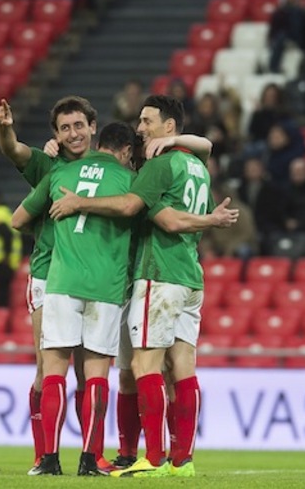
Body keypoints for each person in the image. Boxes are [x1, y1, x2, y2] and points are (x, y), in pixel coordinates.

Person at [50, 95, 238, 478]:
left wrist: (80, 203)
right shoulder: (196, 166)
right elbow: (204, 150)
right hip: (190, 276)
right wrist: (211, 221)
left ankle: (152, 459)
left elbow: (148, 213)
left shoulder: (158, 166)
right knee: (182, 368)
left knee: (142, 365)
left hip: (159, 272)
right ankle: (181, 461)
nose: (141, 128)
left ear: (169, 127)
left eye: (148, 121)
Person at [0, 96, 94, 472]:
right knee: (46, 368)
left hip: (90, 277)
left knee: (88, 372)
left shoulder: (109, 169)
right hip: (49, 274)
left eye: (78, 125)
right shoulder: (48, 163)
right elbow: (13, 150)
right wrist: (5, 127)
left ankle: (90, 455)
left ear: (92, 127)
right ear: (56, 134)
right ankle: (43, 453)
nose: (73, 134)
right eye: (65, 128)